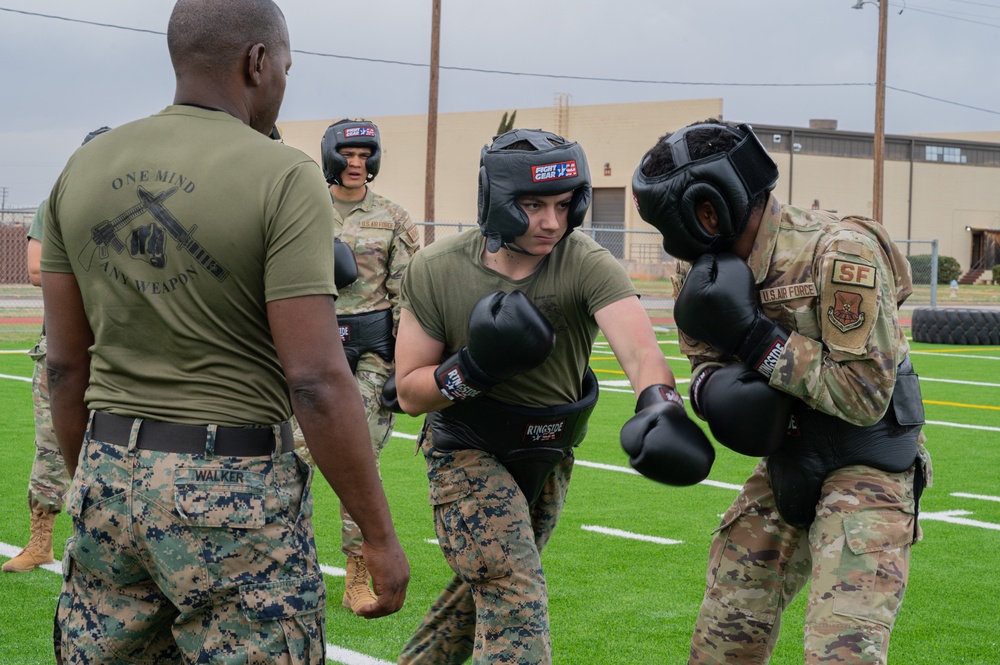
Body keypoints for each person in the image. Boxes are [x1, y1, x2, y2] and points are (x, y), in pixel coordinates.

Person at [40, 1, 408, 662]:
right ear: (257, 62)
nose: (283, 83)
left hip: (106, 473)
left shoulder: (83, 169)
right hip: (233, 487)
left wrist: (101, 484)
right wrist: (378, 535)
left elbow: (66, 365)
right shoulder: (284, 174)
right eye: (285, 68)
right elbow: (318, 379)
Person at [393, 128, 715, 664]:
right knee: (513, 589)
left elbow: (638, 350)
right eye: (532, 204)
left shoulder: (584, 261)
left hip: (549, 452)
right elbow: (409, 392)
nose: (551, 222)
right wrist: (474, 367)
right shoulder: (437, 268)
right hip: (465, 449)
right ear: (496, 201)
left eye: (564, 205)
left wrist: (660, 403)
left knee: (482, 592)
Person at [632, 118, 932, 664]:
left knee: (841, 653)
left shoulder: (839, 252)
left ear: (706, 210)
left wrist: (756, 338)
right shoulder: (696, 273)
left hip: (867, 459)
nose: (666, 240)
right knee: (722, 641)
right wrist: (703, 395)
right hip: (787, 454)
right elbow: (704, 361)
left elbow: (864, 395)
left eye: (665, 222)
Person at [302, 118, 419, 612]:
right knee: (293, 458)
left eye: (364, 155)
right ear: (331, 155)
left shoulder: (392, 217)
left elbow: (409, 295)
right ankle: (294, 562)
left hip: (372, 353)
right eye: (348, 155)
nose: (356, 164)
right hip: (310, 349)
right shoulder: (302, 211)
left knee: (359, 461)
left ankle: (356, 571)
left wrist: (404, 365)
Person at [3, 128, 111, 575]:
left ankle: (108, 543)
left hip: (119, 341)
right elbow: (33, 269)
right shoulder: (57, 202)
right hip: (65, 339)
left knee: (119, 442)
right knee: (51, 439)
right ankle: (40, 540)